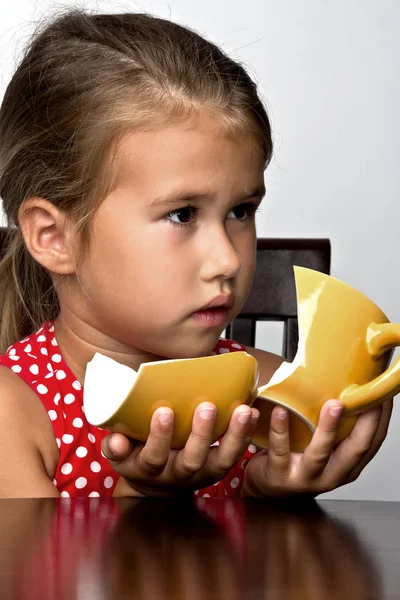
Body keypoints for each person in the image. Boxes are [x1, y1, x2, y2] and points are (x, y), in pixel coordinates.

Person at [0, 10, 392, 498]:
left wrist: (261, 492)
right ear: (55, 238)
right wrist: (143, 496)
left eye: (242, 210)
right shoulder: (13, 414)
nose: (228, 260)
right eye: (182, 214)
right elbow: (37, 572)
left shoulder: (267, 392)